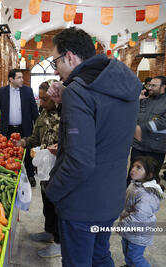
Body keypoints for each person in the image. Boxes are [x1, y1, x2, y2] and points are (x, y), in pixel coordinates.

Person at [45, 27, 141, 266]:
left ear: (70, 56)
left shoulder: (80, 91)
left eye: (56, 61)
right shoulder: (121, 82)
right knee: (100, 255)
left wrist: (53, 192)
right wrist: (66, 96)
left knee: (78, 261)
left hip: (81, 203)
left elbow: (80, 161)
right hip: (110, 197)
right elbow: (104, 123)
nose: (56, 69)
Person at [17, 80, 61, 257]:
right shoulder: (43, 113)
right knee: (47, 201)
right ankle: (49, 232)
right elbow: (35, 138)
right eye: (40, 99)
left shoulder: (69, 113)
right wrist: (23, 142)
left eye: (45, 99)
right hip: (45, 167)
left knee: (58, 205)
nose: (41, 103)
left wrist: (62, 146)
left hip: (61, 168)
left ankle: (59, 243)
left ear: (56, 97)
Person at [0, 69, 39, 185]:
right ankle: (8, 176)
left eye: (22, 77)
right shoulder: (2, 92)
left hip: (25, 128)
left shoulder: (28, 91)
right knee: (7, 152)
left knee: (27, 153)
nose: (22, 79)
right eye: (19, 77)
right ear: (11, 79)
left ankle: (31, 176)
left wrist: (37, 128)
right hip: (8, 128)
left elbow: (34, 111)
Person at [118, 156, 163, 267]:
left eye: (138, 168)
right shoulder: (135, 184)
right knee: (127, 252)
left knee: (135, 257)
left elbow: (140, 217)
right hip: (130, 229)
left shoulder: (148, 194)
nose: (133, 169)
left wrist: (122, 224)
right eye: (133, 166)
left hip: (139, 232)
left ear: (149, 174)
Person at [130, 75, 166, 184]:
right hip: (138, 147)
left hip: (155, 149)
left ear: (163, 87)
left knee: (150, 180)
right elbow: (132, 115)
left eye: (154, 85)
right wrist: (137, 100)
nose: (149, 87)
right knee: (133, 177)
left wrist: (141, 128)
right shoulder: (145, 100)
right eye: (149, 85)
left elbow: (163, 122)